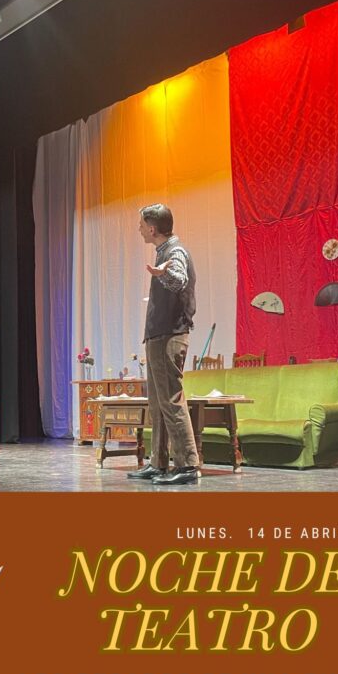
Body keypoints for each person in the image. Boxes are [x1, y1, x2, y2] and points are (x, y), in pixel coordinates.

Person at [127, 203, 200, 485]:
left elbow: (179, 280)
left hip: (170, 334)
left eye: (141, 225)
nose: (139, 229)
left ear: (152, 228)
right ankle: (158, 462)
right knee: (158, 403)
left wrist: (164, 274)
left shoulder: (175, 252)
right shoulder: (163, 252)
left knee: (170, 399)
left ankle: (187, 465)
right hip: (159, 335)